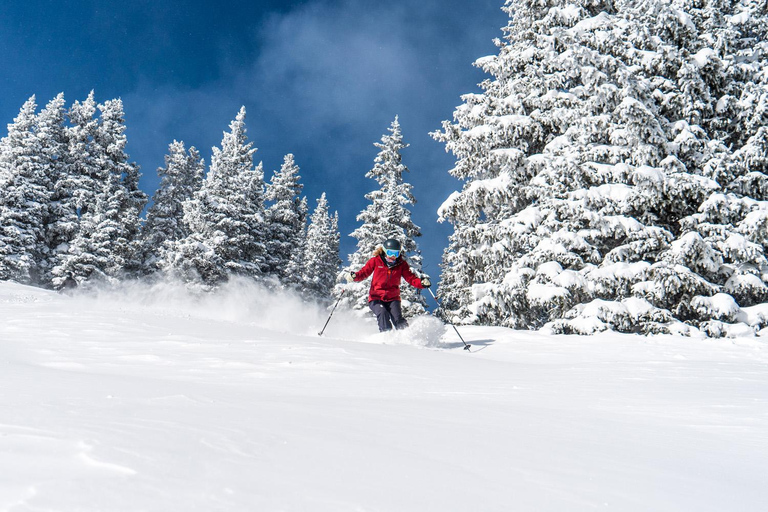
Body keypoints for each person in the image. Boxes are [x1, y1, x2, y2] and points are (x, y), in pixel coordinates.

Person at [346, 238, 431, 332]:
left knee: (398, 318)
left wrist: (422, 283)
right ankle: (386, 336)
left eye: (396, 253)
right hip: (376, 297)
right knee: (382, 313)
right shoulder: (375, 261)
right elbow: (363, 273)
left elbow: (411, 278)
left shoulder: (401, 264)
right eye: (390, 253)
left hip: (393, 298)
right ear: (385, 251)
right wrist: (354, 276)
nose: (393, 256)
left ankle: (407, 337)